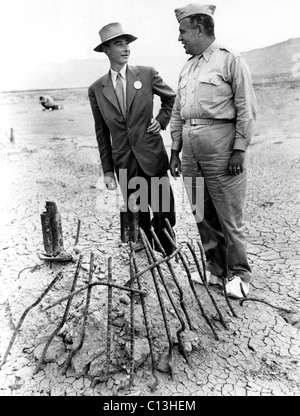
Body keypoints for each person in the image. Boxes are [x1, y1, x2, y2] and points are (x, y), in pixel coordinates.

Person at [170, 4, 257, 298]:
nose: (180, 37)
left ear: (198, 29)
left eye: (182, 31)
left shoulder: (230, 61)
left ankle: (240, 275)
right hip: (191, 150)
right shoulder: (187, 67)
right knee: (201, 212)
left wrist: (239, 149)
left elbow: (247, 109)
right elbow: (178, 111)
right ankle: (216, 270)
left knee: (228, 214)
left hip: (221, 146)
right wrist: (175, 149)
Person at [88, 22, 176, 255]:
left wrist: (162, 120)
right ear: (106, 50)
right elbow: (101, 133)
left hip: (152, 157)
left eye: (127, 43)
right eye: (119, 44)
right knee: (138, 218)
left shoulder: (146, 74)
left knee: (164, 214)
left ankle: (167, 260)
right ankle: (146, 264)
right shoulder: (97, 88)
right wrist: (108, 171)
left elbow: (171, 98)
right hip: (125, 164)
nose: (126, 48)